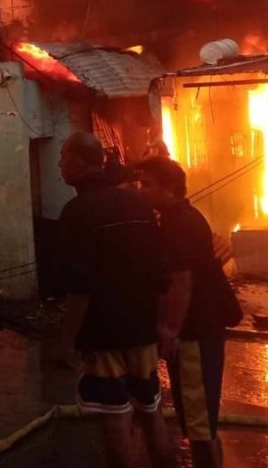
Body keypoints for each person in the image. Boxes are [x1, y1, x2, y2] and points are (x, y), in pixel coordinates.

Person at [48, 132, 177, 468]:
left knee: (116, 418)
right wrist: (162, 325)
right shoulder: (138, 204)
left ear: (79, 162)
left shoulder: (77, 212)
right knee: (151, 411)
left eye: (63, 156)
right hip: (143, 329)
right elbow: (160, 272)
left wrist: (66, 342)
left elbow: (80, 288)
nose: (59, 163)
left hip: (104, 336)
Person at [137, 158, 244, 468]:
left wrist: (169, 330)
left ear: (169, 189)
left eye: (148, 185)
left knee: (199, 422)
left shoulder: (178, 224)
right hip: (200, 329)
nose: (141, 191)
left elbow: (181, 281)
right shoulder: (182, 218)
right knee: (197, 417)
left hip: (196, 333)